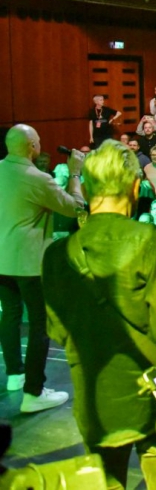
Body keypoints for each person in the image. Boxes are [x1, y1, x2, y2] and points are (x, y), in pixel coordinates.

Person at [41, 139, 156, 490]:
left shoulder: (56, 254)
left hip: (95, 404)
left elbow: (57, 331)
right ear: (136, 187)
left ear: (86, 189)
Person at [0, 125, 85, 412]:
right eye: (37, 142)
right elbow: (75, 207)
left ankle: (15, 375)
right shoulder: (37, 178)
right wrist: (75, 173)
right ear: (31, 147)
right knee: (39, 323)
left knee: (10, 315)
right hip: (28, 263)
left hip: (2, 260)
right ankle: (33, 393)